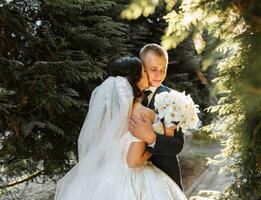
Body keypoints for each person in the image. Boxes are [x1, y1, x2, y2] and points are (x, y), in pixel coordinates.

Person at [54, 56, 187, 200]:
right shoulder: (143, 114)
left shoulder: (107, 113)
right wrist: (151, 148)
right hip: (133, 180)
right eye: (144, 71)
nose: (147, 74)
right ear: (137, 81)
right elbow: (133, 161)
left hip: (105, 178)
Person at [129, 44, 184, 189]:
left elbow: (177, 144)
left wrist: (152, 138)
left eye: (163, 70)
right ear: (142, 66)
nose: (159, 75)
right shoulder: (126, 94)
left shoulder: (172, 99)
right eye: (153, 69)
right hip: (129, 174)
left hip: (164, 175)